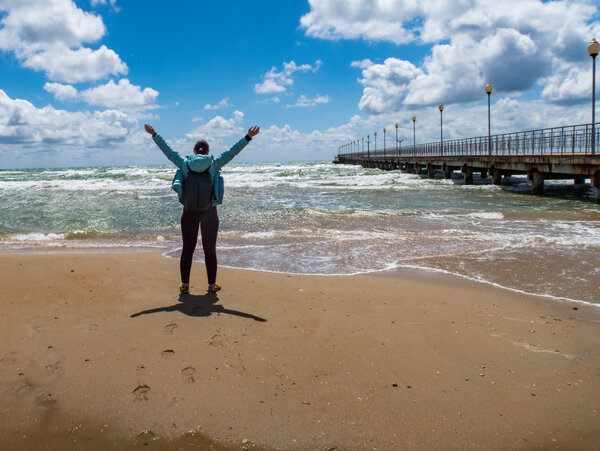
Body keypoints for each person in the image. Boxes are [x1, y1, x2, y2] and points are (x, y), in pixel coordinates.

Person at [144, 123, 260, 293]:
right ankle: (212, 286)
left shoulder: (184, 163)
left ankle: (184, 285)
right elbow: (233, 152)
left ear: (194, 151)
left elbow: (167, 151)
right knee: (209, 250)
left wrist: (154, 134)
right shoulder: (214, 163)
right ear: (207, 151)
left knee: (187, 250)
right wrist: (248, 136)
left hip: (189, 212)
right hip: (209, 213)